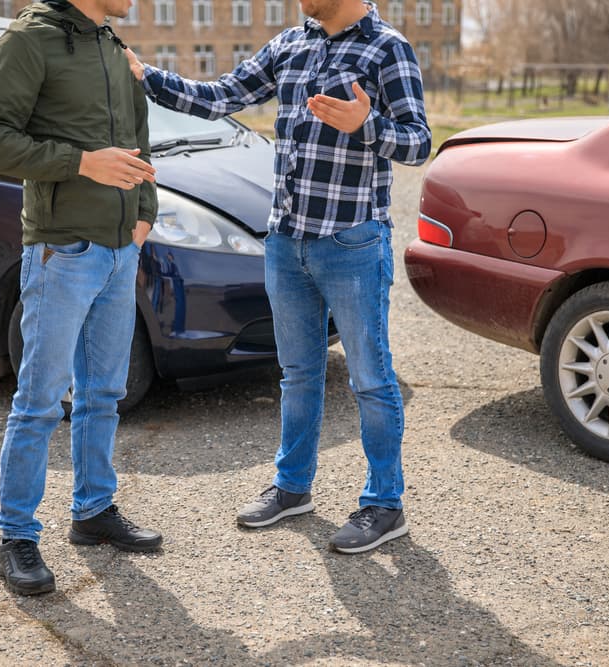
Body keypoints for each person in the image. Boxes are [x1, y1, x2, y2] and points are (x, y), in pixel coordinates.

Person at [125, 0, 431, 554]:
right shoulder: (290, 44)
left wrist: (368, 125)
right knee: (297, 373)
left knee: (370, 376)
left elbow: (418, 142)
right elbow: (222, 97)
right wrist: (149, 79)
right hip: (286, 242)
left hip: (352, 242)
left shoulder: (388, 48)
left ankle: (385, 504)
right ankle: (293, 489)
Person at [0, 0, 163, 596]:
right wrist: (81, 164)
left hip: (118, 249)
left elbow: (137, 140)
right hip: (62, 251)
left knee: (104, 391)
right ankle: (17, 536)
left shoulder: (111, 43)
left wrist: (144, 216)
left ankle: (93, 511)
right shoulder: (30, 40)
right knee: (41, 399)